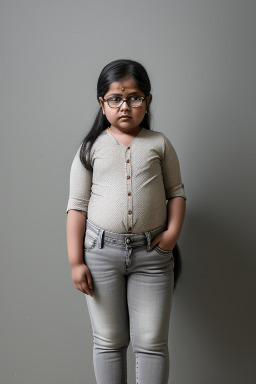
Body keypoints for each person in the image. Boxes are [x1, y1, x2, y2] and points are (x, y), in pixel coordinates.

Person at [66, 58, 187, 384]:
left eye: (134, 97)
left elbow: (176, 192)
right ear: (101, 103)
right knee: (108, 341)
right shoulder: (90, 148)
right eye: (115, 98)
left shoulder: (159, 143)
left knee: (151, 343)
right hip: (100, 254)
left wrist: (172, 233)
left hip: (153, 256)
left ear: (147, 101)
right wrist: (76, 261)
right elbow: (76, 207)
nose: (125, 106)